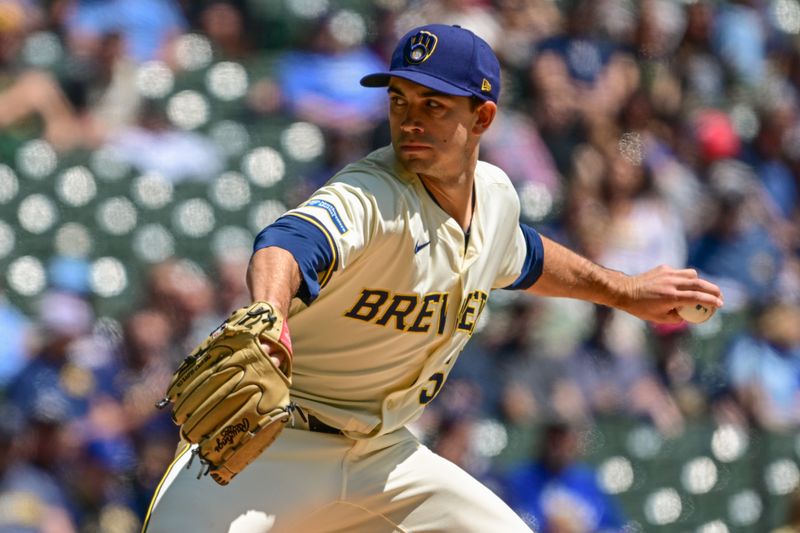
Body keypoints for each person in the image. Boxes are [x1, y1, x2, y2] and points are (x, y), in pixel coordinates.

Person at [143, 24, 723, 533]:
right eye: (400, 101)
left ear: (482, 117)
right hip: (271, 446)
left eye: (434, 105)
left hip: (385, 457)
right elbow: (290, 241)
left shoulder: (494, 198)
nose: (410, 120)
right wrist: (268, 310)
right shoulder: (372, 194)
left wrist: (623, 290)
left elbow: (527, 257)